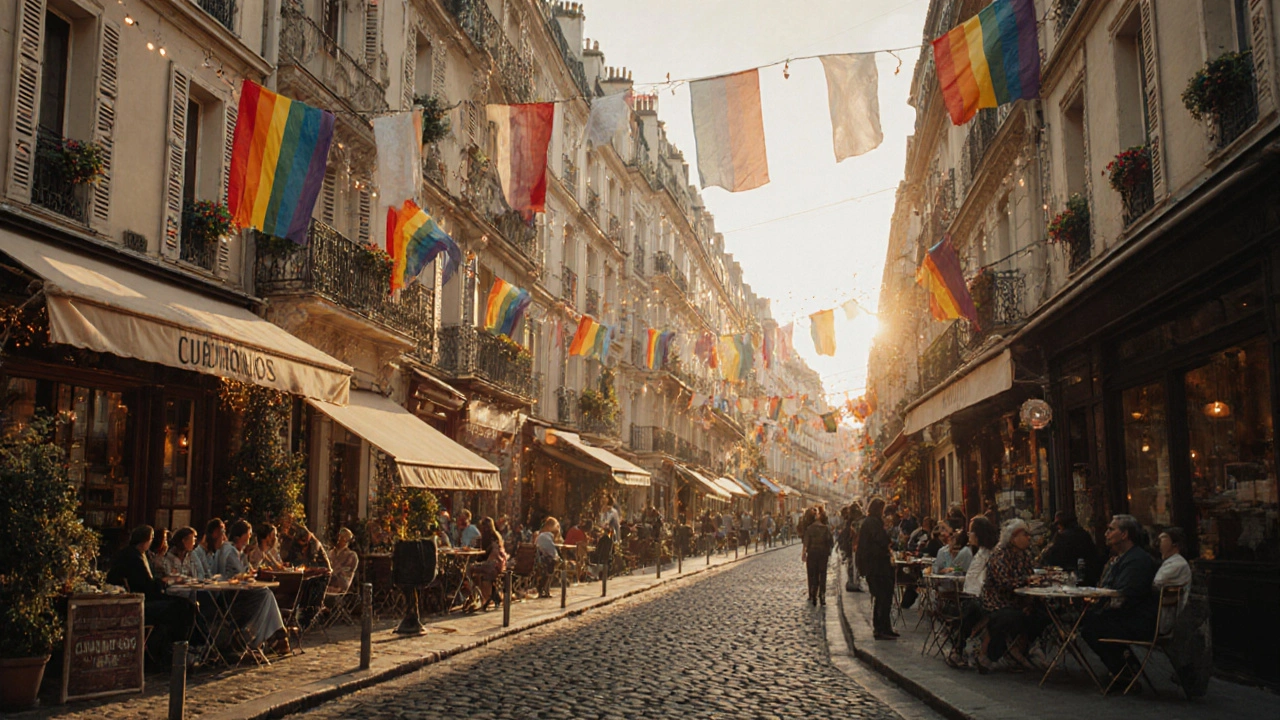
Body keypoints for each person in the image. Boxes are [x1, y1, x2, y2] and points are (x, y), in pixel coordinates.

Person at [1081, 514, 1160, 683]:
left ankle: (1124, 671)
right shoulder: (1122, 558)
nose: (1106, 533)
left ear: (1124, 535)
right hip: (1127, 615)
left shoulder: (1137, 560)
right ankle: (1123, 668)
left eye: (1111, 529)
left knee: (1090, 625)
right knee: (1088, 620)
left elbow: (1125, 593)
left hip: (1137, 620)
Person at [106, 525, 196, 661]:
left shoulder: (138, 554)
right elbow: (148, 586)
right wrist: (165, 581)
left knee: (187, 605)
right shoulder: (135, 557)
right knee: (183, 607)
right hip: (139, 602)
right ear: (146, 540)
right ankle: (174, 650)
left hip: (143, 597)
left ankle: (178, 648)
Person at [213, 519, 288, 652]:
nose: (250, 537)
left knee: (266, 594)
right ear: (239, 536)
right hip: (231, 596)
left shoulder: (239, 552)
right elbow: (242, 573)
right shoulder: (229, 551)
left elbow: (247, 571)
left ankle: (266, 637)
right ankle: (261, 637)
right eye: (248, 534)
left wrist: (246, 558)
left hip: (240, 592)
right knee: (265, 595)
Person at [975, 519, 1039, 672]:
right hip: (998, 602)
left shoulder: (1024, 555)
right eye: (1025, 535)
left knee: (1042, 614)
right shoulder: (1000, 555)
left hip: (1019, 600)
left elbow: (1029, 575)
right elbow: (1005, 583)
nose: (1029, 538)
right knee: (1010, 617)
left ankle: (1022, 649)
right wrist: (1027, 580)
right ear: (1013, 537)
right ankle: (999, 653)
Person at [856, 497, 896, 640]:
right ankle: (880, 629)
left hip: (877, 566)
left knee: (883, 597)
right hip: (876, 566)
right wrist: (888, 533)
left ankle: (885, 627)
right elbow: (881, 539)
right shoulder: (873, 523)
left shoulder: (871, 522)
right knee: (882, 597)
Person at [1038, 511, 1100, 584]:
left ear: (1061, 524)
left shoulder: (1062, 536)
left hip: (1071, 576)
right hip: (1091, 575)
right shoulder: (1083, 533)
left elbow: (1048, 556)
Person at [1153, 527, 1191, 633]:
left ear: (1175, 544)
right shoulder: (1170, 562)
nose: (1159, 541)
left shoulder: (1177, 564)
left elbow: (1156, 584)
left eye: (1164, 537)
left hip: (1164, 620)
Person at [469, 517, 508, 611]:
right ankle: (492, 596)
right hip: (494, 564)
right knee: (473, 569)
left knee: (471, 569)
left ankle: (481, 596)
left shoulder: (492, 538)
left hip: (493, 565)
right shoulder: (491, 536)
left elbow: (490, 554)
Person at [802, 506, 834, 606]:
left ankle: (813, 594)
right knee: (822, 574)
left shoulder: (810, 528)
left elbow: (806, 542)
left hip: (812, 553)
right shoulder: (825, 529)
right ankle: (822, 595)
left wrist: (803, 553)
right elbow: (831, 542)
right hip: (823, 554)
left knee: (813, 574)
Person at [327, 527, 359, 595]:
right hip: (328, 582)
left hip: (340, 585)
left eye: (342, 537)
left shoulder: (351, 555)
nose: (338, 539)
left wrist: (332, 572)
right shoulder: (330, 553)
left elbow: (345, 574)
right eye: (339, 536)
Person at [534, 517, 560, 598]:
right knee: (553, 564)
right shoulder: (547, 536)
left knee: (551, 564)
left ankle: (544, 588)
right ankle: (545, 588)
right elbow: (552, 551)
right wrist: (557, 557)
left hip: (538, 559)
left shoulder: (540, 535)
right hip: (544, 561)